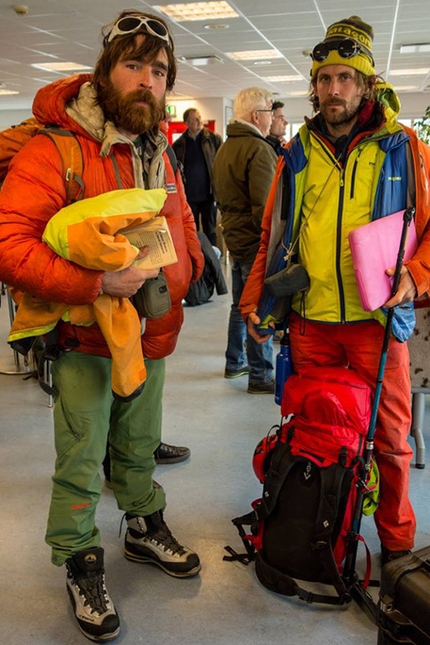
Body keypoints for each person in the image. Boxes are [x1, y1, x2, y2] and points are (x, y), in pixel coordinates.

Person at [0, 9, 205, 642]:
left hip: (151, 335)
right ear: (107, 72)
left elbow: (182, 217)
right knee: (83, 459)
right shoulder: (55, 148)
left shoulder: (157, 147)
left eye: (160, 71)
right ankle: (80, 557)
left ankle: (143, 525)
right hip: (84, 337)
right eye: (134, 65)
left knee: (139, 447)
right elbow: (9, 241)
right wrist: (94, 284)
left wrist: (191, 266)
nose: (148, 80)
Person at [239, 16, 430, 563]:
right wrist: (256, 299)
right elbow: (272, 233)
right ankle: (317, 534)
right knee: (314, 433)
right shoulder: (297, 152)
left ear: (366, 84)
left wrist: (414, 276)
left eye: (346, 77)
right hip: (310, 322)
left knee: (391, 442)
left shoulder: (403, 148)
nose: (333, 89)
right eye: (324, 78)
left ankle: (396, 553)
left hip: (375, 325)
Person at [213, 87, 277, 394]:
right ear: (256, 115)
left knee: (239, 305)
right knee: (258, 307)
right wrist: (274, 246)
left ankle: (234, 361)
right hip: (255, 243)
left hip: (234, 238)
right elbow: (264, 209)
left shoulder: (226, 147)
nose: (272, 118)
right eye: (269, 112)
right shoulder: (258, 149)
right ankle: (261, 374)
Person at [172, 108, 222, 247]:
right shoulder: (179, 144)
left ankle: (213, 261)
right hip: (189, 196)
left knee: (210, 230)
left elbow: (221, 164)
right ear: (186, 122)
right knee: (191, 231)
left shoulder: (213, 139)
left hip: (209, 195)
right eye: (194, 119)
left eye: (199, 117)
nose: (199, 121)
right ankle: (196, 260)